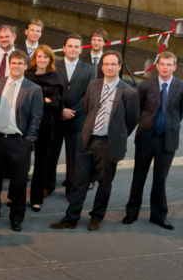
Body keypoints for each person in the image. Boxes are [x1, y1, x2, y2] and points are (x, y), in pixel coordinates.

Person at [51, 51, 140, 232]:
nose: (109, 67)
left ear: (119, 66)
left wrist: (116, 136)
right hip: (87, 141)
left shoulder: (129, 92)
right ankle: (71, 218)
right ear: (102, 66)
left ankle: (97, 217)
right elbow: (88, 109)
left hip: (108, 145)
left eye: (113, 64)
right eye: (106, 64)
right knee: (79, 182)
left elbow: (131, 121)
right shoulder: (93, 85)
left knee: (104, 184)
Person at [0, 50, 42, 232]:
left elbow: (37, 118)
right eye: (13, 63)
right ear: (9, 64)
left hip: (19, 142)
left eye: (20, 63)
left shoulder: (33, 89)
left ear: (25, 66)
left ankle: (16, 218)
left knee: (19, 182)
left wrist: (28, 141)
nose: (16, 66)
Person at [124, 51, 183, 230]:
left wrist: (169, 125)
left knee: (160, 179)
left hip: (167, 139)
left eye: (168, 64)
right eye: (162, 64)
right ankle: (131, 212)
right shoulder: (146, 85)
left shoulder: (181, 86)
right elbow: (139, 109)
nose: (165, 67)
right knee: (138, 177)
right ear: (157, 66)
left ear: (174, 67)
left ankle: (158, 216)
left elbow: (180, 113)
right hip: (146, 137)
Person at [48, 34, 93, 195]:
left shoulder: (89, 69)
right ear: (64, 48)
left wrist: (71, 112)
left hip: (76, 119)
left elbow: (89, 94)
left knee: (74, 157)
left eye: (76, 47)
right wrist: (60, 110)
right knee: (51, 154)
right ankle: (48, 185)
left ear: (81, 50)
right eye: (70, 46)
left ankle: (71, 189)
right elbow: (49, 90)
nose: (73, 49)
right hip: (55, 117)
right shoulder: (52, 66)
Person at [25, 45, 63, 212]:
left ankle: (36, 198)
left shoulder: (56, 77)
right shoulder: (26, 75)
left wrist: (37, 98)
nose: (42, 60)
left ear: (50, 60)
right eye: (39, 57)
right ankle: (15, 196)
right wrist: (44, 99)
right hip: (25, 124)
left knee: (41, 163)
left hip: (46, 125)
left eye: (45, 57)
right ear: (35, 58)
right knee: (21, 163)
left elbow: (55, 104)